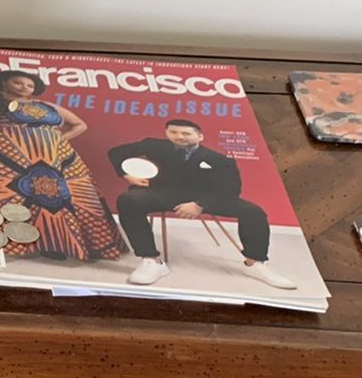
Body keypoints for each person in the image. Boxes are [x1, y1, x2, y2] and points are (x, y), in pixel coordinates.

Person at [106, 120, 296, 289]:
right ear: (167, 133)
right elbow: (115, 152)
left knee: (254, 212)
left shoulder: (220, 160)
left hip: (207, 198)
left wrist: (200, 204)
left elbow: (232, 189)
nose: (179, 136)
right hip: (162, 193)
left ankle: (255, 264)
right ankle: (151, 260)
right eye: (174, 132)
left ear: (200, 136)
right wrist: (127, 175)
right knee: (128, 200)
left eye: (186, 133)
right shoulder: (154, 145)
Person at [0, 70, 122, 262]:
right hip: (8, 156)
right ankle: (2, 242)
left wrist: (57, 141)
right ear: (5, 83)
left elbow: (79, 124)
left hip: (52, 157)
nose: (25, 88)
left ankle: (55, 243)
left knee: (59, 198)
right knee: (10, 196)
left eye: (29, 85)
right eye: (19, 83)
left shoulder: (47, 106)